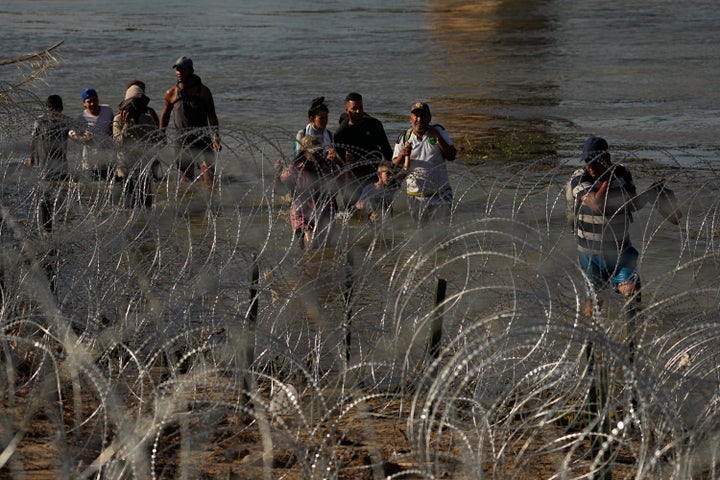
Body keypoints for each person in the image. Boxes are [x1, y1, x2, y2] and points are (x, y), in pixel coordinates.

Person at [570, 136, 648, 317]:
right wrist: (607, 178)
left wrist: (652, 193)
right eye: (588, 161)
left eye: (595, 161)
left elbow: (633, 204)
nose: (590, 166)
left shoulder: (622, 173)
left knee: (632, 292)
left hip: (620, 249)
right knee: (595, 301)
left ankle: (633, 339)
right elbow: (596, 205)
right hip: (590, 253)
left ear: (607, 158)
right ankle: (589, 339)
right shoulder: (579, 177)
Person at [158, 56, 221, 188]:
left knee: (209, 176)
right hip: (182, 140)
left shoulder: (203, 92)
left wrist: (215, 137)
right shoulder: (171, 93)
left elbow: (212, 116)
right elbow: (165, 115)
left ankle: (211, 204)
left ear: (191, 71)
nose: (179, 73)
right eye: (177, 70)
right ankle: (191, 205)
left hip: (202, 138)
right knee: (186, 180)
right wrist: (161, 134)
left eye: (182, 70)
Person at [391, 101, 457, 222]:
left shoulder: (439, 131)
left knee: (444, 232)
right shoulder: (404, 137)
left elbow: (452, 156)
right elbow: (393, 167)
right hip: (416, 197)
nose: (419, 119)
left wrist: (438, 138)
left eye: (423, 116)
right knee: (421, 232)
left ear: (429, 118)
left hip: (441, 196)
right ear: (410, 118)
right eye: (416, 116)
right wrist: (403, 154)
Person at [279, 136, 343, 250]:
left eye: (319, 151)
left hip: (326, 214)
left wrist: (340, 161)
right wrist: (277, 174)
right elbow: (279, 190)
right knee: (311, 246)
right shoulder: (295, 169)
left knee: (324, 250)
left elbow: (343, 185)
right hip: (303, 215)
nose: (317, 155)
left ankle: (306, 266)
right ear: (304, 152)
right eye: (313, 152)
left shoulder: (329, 166)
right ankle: (308, 265)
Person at [333, 92, 393, 206]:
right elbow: (340, 164)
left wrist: (391, 173)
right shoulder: (341, 133)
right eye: (354, 108)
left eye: (360, 107)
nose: (358, 111)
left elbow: (387, 151)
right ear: (347, 110)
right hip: (353, 177)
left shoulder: (374, 125)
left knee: (378, 210)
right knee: (350, 212)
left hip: (373, 174)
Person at [113, 83, 159, 208]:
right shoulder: (118, 119)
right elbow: (119, 143)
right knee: (128, 206)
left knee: (146, 205)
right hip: (125, 169)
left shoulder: (147, 118)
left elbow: (154, 141)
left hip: (144, 167)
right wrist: (127, 124)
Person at [69, 87, 115, 180]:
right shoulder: (81, 118)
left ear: (98, 100)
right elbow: (70, 134)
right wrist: (82, 139)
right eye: (89, 101)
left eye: (95, 100)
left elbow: (113, 125)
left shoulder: (107, 110)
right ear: (84, 104)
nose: (92, 104)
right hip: (90, 163)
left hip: (107, 160)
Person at [28, 95, 73, 181]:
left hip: (61, 161)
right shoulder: (40, 121)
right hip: (44, 162)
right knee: (45, 187)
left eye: (56, 110)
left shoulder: (66, 121)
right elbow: (34, 139)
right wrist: (31, 156)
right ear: (46, 109)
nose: (53, 113)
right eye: (50, 110)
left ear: (61, 109)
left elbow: (73, 135)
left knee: (63, 187)